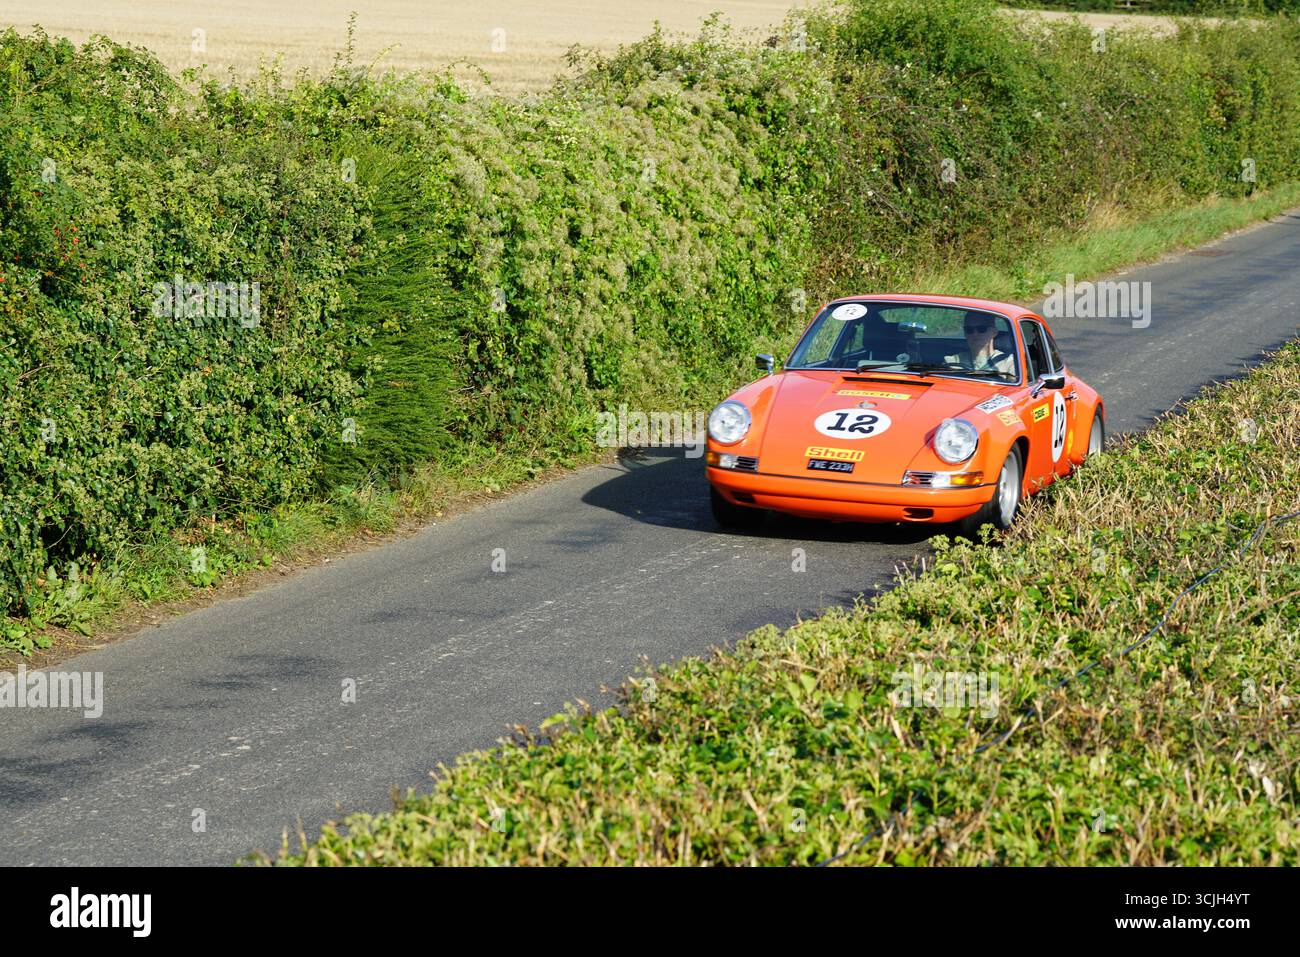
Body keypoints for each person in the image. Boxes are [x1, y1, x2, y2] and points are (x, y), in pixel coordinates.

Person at [945, 313, 1015, 375]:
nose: (975, 334)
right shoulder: (952, 361)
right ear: (965, 333)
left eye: (982, 329)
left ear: (994, 332)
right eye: (969, 330)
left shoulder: (1009, 363)